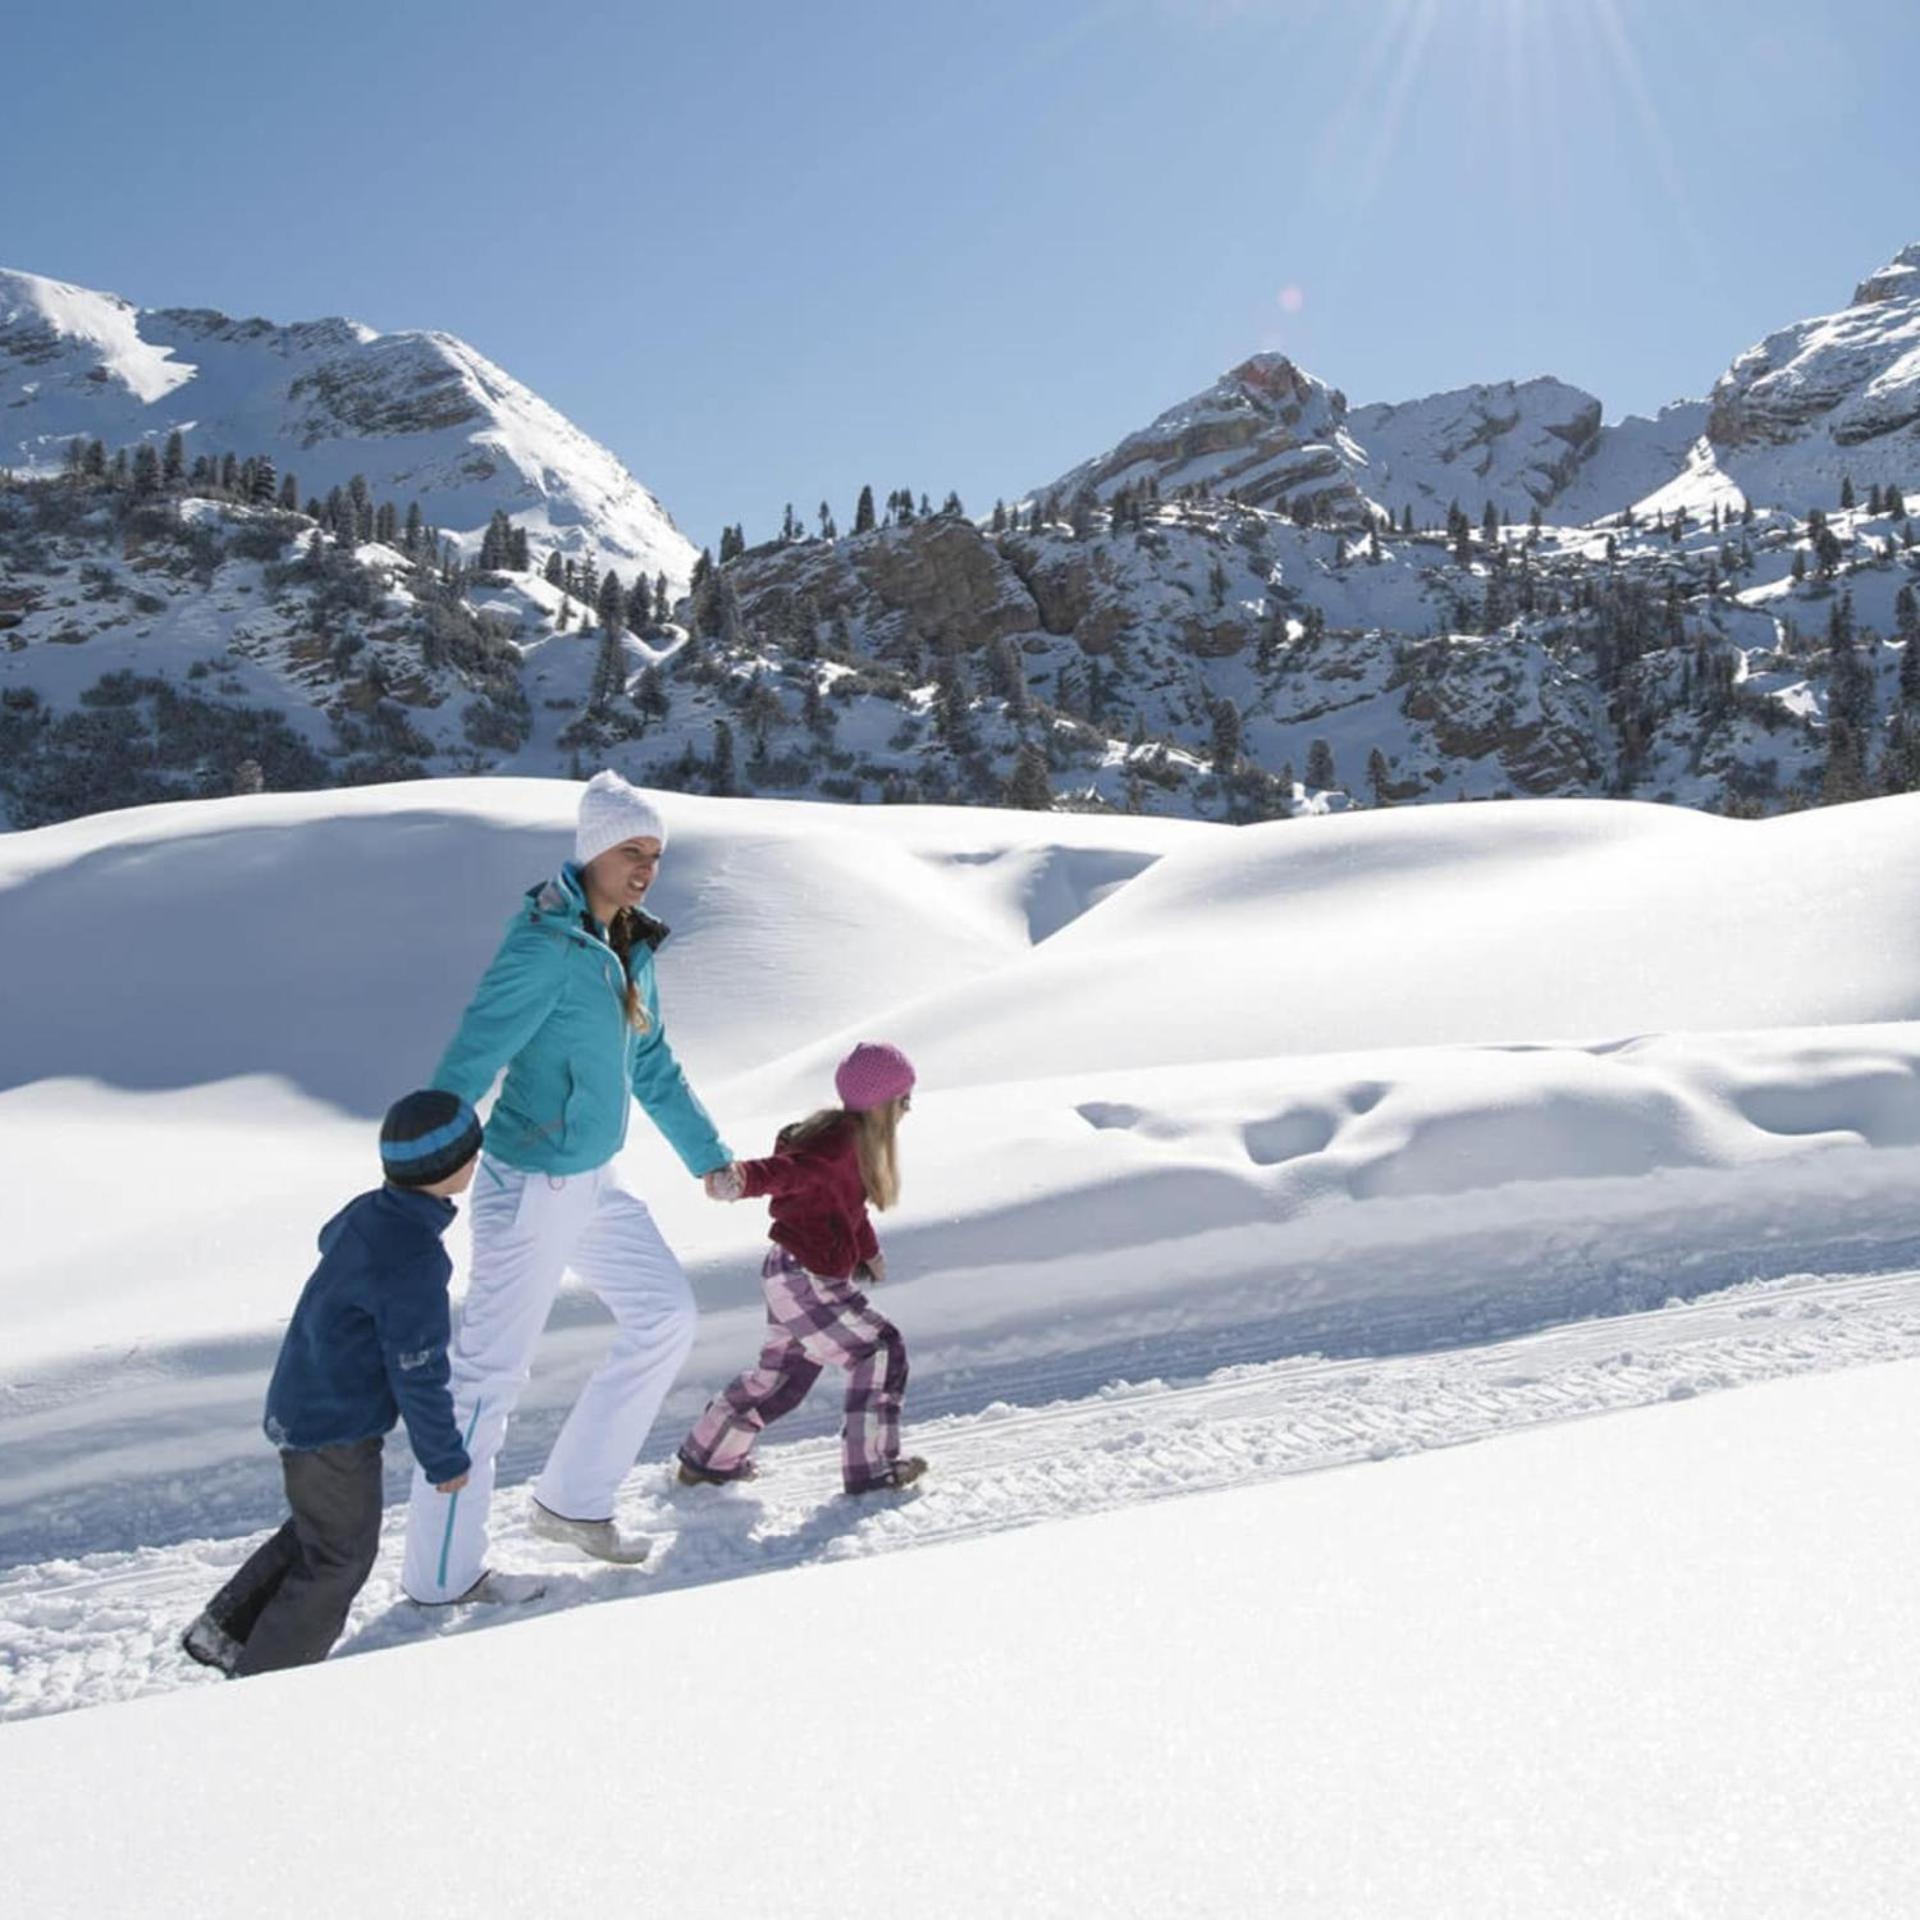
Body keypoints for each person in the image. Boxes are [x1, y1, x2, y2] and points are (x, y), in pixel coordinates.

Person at [400, 771, 733, 1605]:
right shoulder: (546, 947)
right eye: (632, 852)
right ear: (592, 852)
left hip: (591, 1180)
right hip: (530, 1185)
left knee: (665, 1315)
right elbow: (471, 1055)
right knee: (486, 1381)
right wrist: (418, 1173)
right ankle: (440, 1577)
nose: (646, 868)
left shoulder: (627, 944)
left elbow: (648, 1061)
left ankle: (572, 1503)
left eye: (655, 854)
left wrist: (708, 1157)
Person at [181, 1090, 486, 1678]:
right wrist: (443, 1456)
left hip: (302, 1399)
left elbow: (339, 1255)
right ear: (446, 1169)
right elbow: (418, 1369)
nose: (478, 1162)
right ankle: (269, 1678)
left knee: (318, 1528)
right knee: (341, 1557)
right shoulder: (414, 1258)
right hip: (333, 1426)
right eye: (472, 1154)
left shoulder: (371, 1213)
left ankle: (226, 1632)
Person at [677, 1043, 925, 1496]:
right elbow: (792, 1171)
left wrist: (867, 1251)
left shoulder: (852, 1140)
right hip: (808, 1275)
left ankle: (708, 1458)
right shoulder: (840, 1144)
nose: (908, 1108)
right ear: (882, 1103)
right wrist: (742, 1179)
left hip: (789, 1270)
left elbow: (849, 1208)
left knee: (781, 1378)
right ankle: (871, 1469)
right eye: (903, 1099)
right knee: (880, 1350)